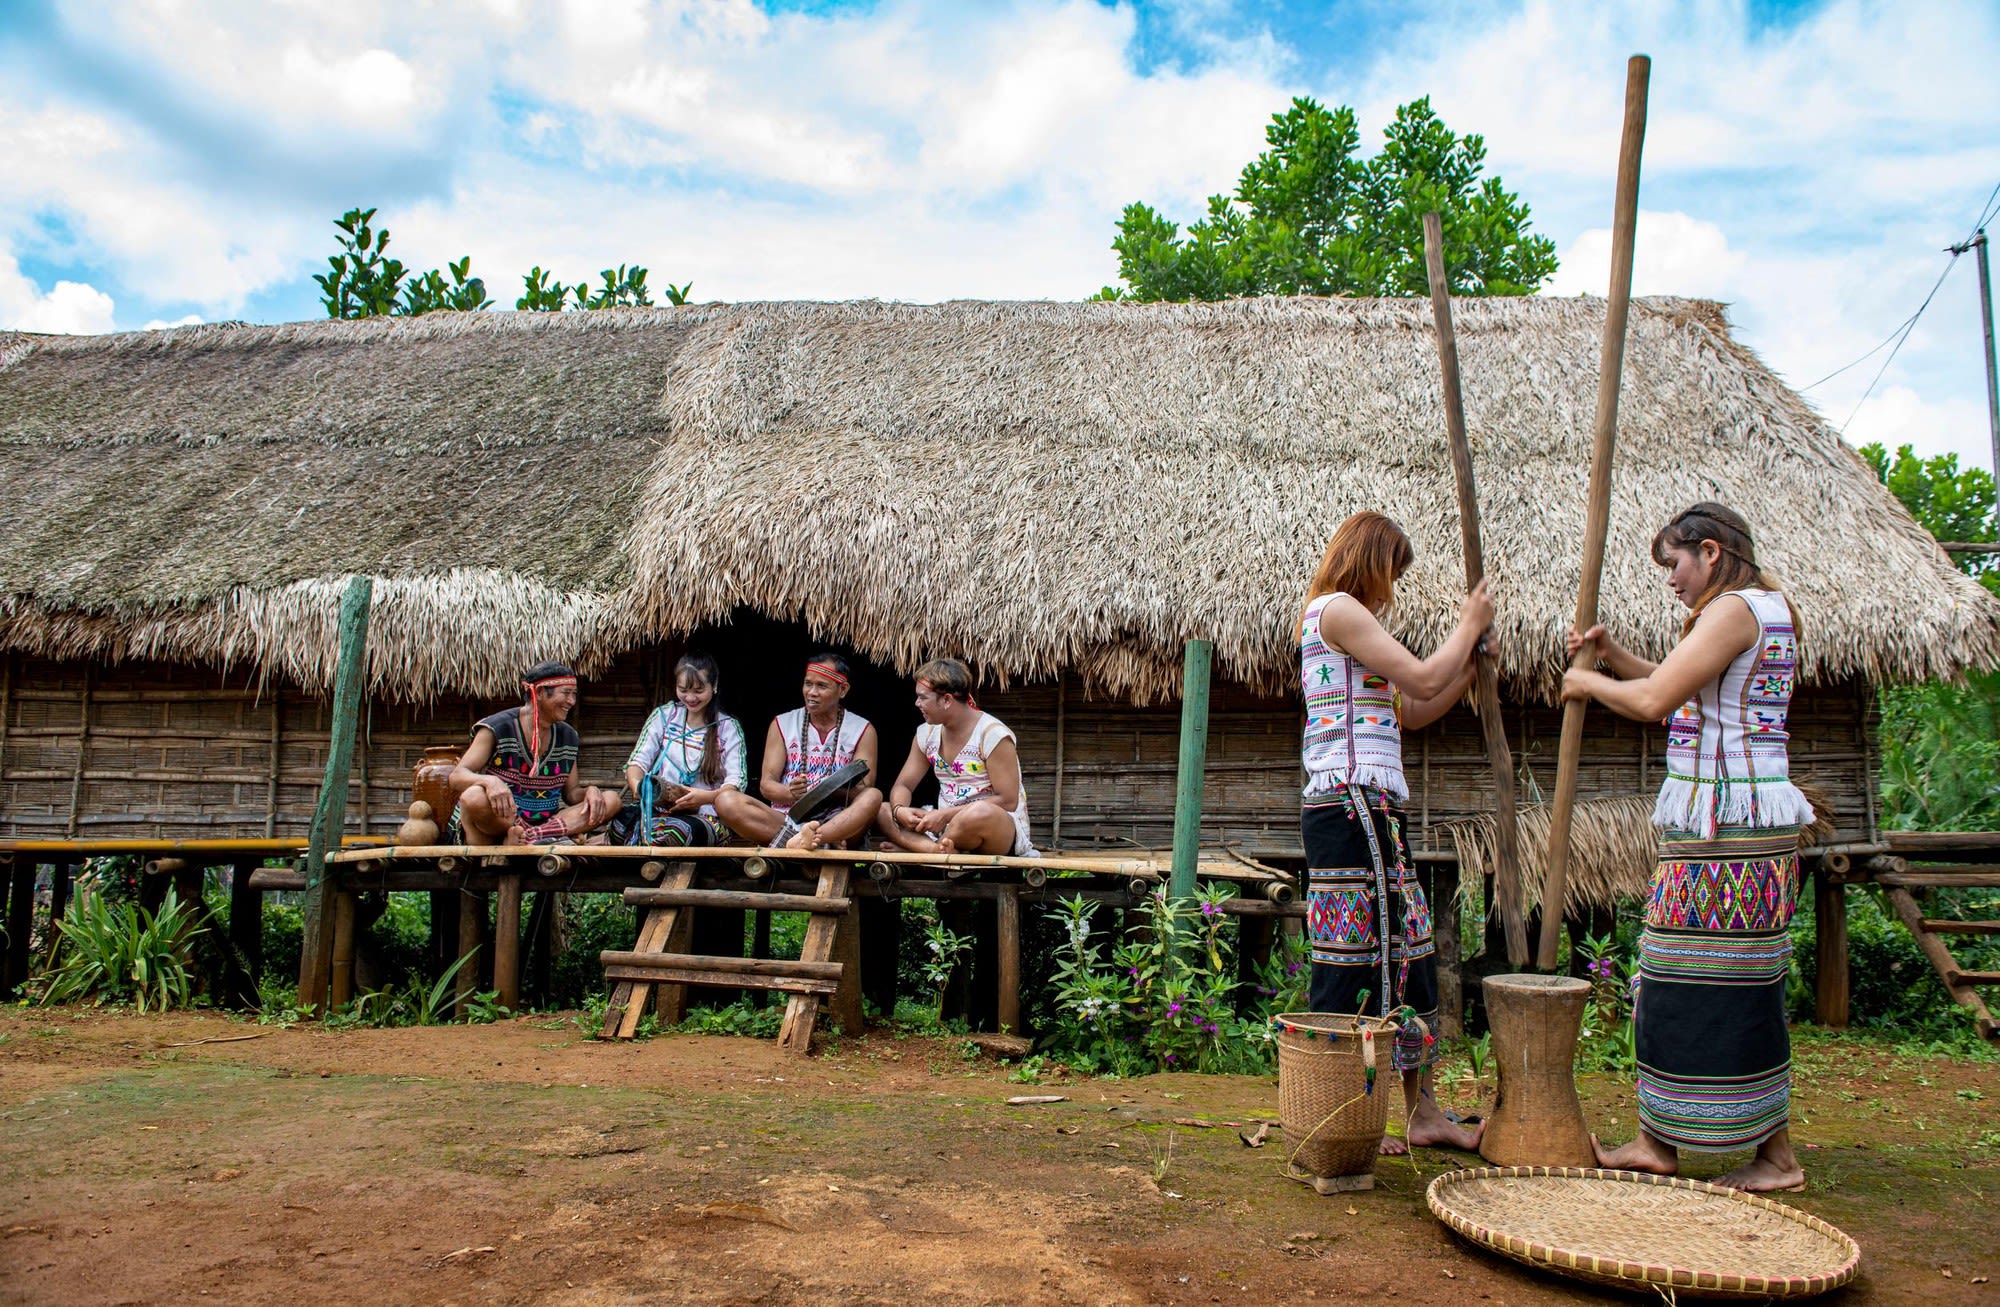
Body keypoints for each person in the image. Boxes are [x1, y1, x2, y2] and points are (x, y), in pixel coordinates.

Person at [1563, 503, 1813, 1193]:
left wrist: (1586, 682)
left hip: (1727, 828)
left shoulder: (1731, 610)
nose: (1671, 579)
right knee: (1729, 983)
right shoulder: (1760, 609)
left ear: (1709, 551)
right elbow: (1689, 688)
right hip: (1738, 822)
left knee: (1690, 979)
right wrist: (1614, 657)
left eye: (1674, 564)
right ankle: (1685, 1142)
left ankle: (1727, 1150)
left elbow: (1655, 701)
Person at [1298, 511, 1490, 1155]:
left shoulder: (1351, 623)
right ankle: (1348, 1107)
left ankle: (1422, 1112)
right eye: (1393, 573)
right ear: (1371, 562)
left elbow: (1414, 709)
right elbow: (1425, 676)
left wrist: (1469, 671)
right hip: (1352, 805)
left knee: (1405, 947)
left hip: (1372, 805)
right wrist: (1468, 625)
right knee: (1364, 954)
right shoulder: (1338, 610)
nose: (1393, 590)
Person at [714, 653, 885, 850]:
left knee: (873, 796)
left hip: (839, 822)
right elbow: (767, 786)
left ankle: (811, 839)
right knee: (726, 801)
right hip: (787, 820)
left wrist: (825, 793)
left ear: (843, 690)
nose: (812, 692)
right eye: (808, 684)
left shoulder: (862, 730)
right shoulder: (782, 724)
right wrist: (790, 792)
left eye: (821, 686)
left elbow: (864, 788)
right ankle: (814, 843)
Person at [449, 661, 622, 846]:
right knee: (473, 797)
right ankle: (525, 836)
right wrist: (489, 782)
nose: (571, 701)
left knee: (611, 800)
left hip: (545, 823)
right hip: (501, 820)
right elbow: (457, 776)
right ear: (539, 692)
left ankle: (530, 836)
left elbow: (571, 793)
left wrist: (590, 791)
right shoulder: (498, 728)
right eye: (566, 693)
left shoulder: (568, 736)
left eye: (574, 694)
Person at [876, 657, 1036, 856]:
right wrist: (900, 810)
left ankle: (921, 848)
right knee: (883, 810)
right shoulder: (926, 734)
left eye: (923, 698)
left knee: (977, 813)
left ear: (947, 700)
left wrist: (945, 815)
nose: (917, 703)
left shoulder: (992, 735)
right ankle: (936, 850)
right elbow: (904, 785)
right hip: (945, 826)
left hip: (995, 829)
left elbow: (1008, 801)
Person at [624, 653, 750, 847]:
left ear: (714, 685)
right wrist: (639, 789)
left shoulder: (728, 728)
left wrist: (704, 798)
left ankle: (655, 839)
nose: (690, 698)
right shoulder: (664, 716)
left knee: (679, 831)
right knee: (619, 824)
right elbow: (637, 762)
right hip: (659, 812)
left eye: (699, 690)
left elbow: (737, 782)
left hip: (707, 816)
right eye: (683, 690)